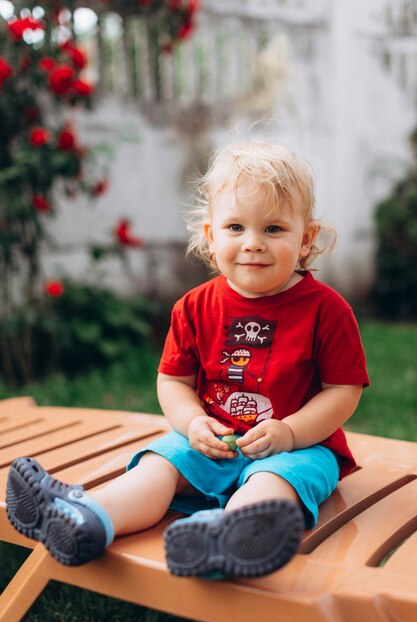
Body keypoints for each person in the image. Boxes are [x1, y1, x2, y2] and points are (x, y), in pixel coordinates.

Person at [6, 141, 369, 579]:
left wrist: (291, 432)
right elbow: (174, 382)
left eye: (273, 229)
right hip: (211, 443)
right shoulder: (195, 307)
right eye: (236, 227)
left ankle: (228, 536)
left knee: (274, 482)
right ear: (212, 236)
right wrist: (193, 423)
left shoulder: (326, 310)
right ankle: (89, 518)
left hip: (301, 447)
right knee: (159, 467)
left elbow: (342, 392)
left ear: (305, 237)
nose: (253, 244)